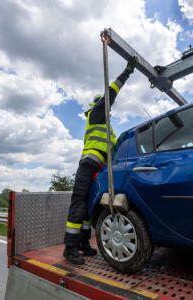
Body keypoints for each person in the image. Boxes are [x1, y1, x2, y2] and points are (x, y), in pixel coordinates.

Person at [63, 57, 138, 265]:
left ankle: (83, 244)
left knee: (88, 207)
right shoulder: (97, 113)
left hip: (100, 169)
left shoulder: (109, 129)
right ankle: (69, 248)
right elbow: (111, 92)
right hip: (89, 164)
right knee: (78, 204)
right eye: (107, 106)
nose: (110, 111)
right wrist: (128, 71)